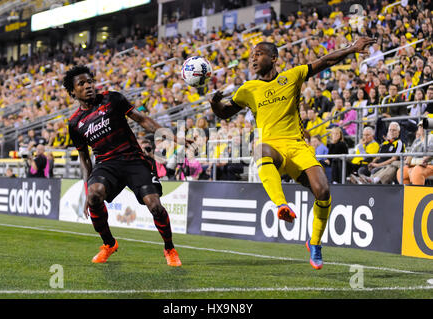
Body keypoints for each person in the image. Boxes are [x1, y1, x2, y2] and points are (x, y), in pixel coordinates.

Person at [209, 37, 376, 270]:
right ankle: (281, 205)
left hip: (297, 147)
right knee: (260, 149)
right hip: (272, 147)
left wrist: (352, 49)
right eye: (252, 55)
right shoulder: (248, 89)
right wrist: (215, 104)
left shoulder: (293, 76)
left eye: (259, 54)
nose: (253, 58)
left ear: (274, 58)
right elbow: (224, 114)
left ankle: (315, 243)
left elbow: (325, 60)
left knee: (323, 191)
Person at [64, 65, 184, 266]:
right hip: (106, 164)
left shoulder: (112, 99)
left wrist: (171, 136)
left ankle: (169, 248)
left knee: (154, 206)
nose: (88, 86)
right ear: (72, 92)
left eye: (90, 81)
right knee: (94, 195)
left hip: (133, 160)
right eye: (81, 84)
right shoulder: (75, 123)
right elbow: (84, 159)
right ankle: (109, 244)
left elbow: (142, 119)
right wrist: (86, 190)